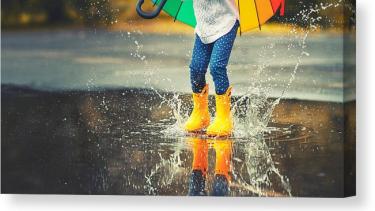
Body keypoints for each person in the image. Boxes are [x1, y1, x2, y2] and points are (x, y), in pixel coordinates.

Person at [184, 0, 239, 137]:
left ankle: (223, 118)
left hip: (226, 21)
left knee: (217, 67)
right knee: (196, 69)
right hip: (204, 26)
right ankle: (200, 114)